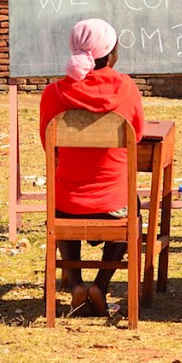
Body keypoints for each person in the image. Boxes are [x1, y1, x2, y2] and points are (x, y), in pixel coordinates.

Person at [39, 18, 145, 318]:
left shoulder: (53, 93)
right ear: (111, 55)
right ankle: (100, 284)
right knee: (131, 204)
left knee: (62, 199)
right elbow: (136, 136)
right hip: (115, 205)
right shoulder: (127, 89)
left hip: (67, 204)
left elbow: (50, 147)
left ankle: (75, 285)